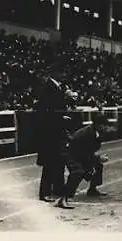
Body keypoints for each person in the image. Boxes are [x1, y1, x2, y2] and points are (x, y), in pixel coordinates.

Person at [54, 112, 111, 209]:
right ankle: (63, 198)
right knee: (78, 172)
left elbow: (88, 151)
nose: (106, 128)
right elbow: (82, 153)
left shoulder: (97, 132)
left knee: (98, 165)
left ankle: (92, 189)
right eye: (104, 125)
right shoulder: (87, 134)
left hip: (80, 153)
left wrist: (95, 160)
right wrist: (97, 158)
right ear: (98, 125)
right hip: (70, 153)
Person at [35, 73, 77, 203]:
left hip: (56, 131)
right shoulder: (48, 88)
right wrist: (60, 118)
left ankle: (58, 188)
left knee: (59, 160)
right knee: (49, 162)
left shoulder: (56, 88)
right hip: (49, 133)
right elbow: (45, 112)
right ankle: (45, 192)